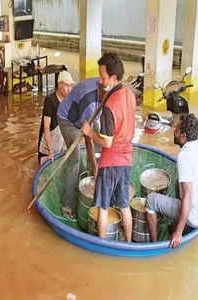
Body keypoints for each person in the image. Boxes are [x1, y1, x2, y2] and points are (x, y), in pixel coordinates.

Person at [81, 53, 136, 242]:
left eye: (103, 77)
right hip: (127, 159)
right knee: (124, 205)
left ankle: (102, 244)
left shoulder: (110, 105)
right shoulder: (129, 93)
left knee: (103, 207)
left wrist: (89, 132)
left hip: (110, 161)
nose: (101, 80)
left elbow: (107, 142)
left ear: (114, 77)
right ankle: (128, 242)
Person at [145, 114, 198, 248]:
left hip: (194, 216)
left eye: (177, 130)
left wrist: (178, 233)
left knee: (150, 200)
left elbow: (188, 196)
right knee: (178, 181)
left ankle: (154, 244)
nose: (174, 131)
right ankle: (175, 225)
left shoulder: (184, 156)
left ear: (183, 136)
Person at [57, 77, 101, 218]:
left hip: (82, 114)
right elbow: (88, 141)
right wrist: (95, 170)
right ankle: (66, 204)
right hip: (67, 120)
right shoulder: (89, 104)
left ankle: (92, 178)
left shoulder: (106, 88)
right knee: (75, 159)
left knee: (99, 135)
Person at [38, 71, 73, 165]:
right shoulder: (50, 100)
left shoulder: (68, 101)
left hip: (60, 144)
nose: (69, 89)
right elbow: (46, 127)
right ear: (60, 84)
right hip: (48, 148)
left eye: (71, 86)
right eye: (67, 86)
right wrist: (50, 151)